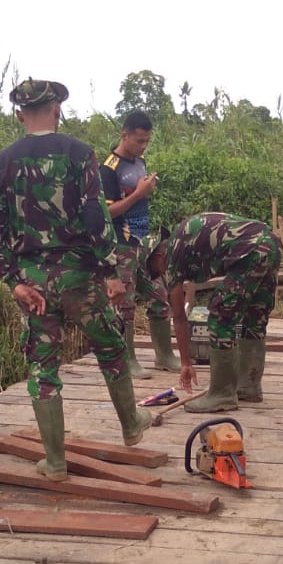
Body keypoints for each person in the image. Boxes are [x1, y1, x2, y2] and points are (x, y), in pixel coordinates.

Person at [0, 79, 151, 481]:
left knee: (43, 368)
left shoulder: (1, 162)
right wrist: (111, 270)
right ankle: (130, 425)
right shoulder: (79, 153)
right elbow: (96, 216)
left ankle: (55, 462)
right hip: (80, 276)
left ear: (20, 114)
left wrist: (11, 281)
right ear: (57, 109)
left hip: (33, 283)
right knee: (110, 347)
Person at [140, 212, 281, 413]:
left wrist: (186, 362)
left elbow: (179, 316)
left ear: (159, 256)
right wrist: (186, 360)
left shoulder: (173, 255)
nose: (162, 275)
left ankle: (222, 394)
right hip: (270, 244)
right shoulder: (183, 239)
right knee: (254, 314)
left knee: (220, 314)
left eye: (158, 270)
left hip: (249, 251)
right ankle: (248, 386)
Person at [99, 110, 180, 377]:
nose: (143, 146)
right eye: (139, 141)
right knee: (126, 303)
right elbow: (107, 212)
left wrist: (145, 192)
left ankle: (165, 355)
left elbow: (138, 198)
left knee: (160, 296)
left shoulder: (140, 162)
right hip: (121, 243)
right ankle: (127, 360)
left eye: (147, 141)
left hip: (144, 241)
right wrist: (139, 194)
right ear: (124, 135)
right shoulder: (109, 168)